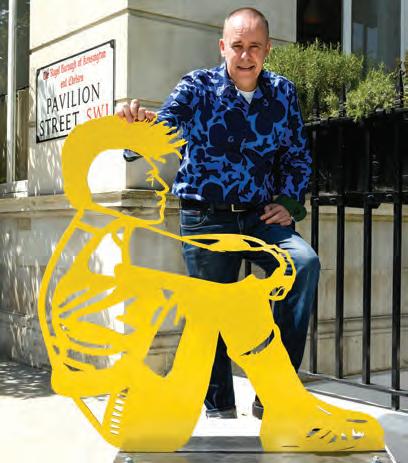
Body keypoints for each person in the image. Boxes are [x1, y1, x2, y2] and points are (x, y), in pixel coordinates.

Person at [117, 7, 320, 420]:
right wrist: (135, 127)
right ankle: (219, 407)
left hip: (260, 217)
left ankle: (275, 393)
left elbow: (297, 155)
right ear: (222, 46)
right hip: (206, 216)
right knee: (209, 311)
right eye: (237, 46)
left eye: (255, 47)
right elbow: (159, 132)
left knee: (303, 264)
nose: (245, 56)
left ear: (267, 49)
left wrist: (289, 202)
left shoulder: (283, 92)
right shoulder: (197, 87)